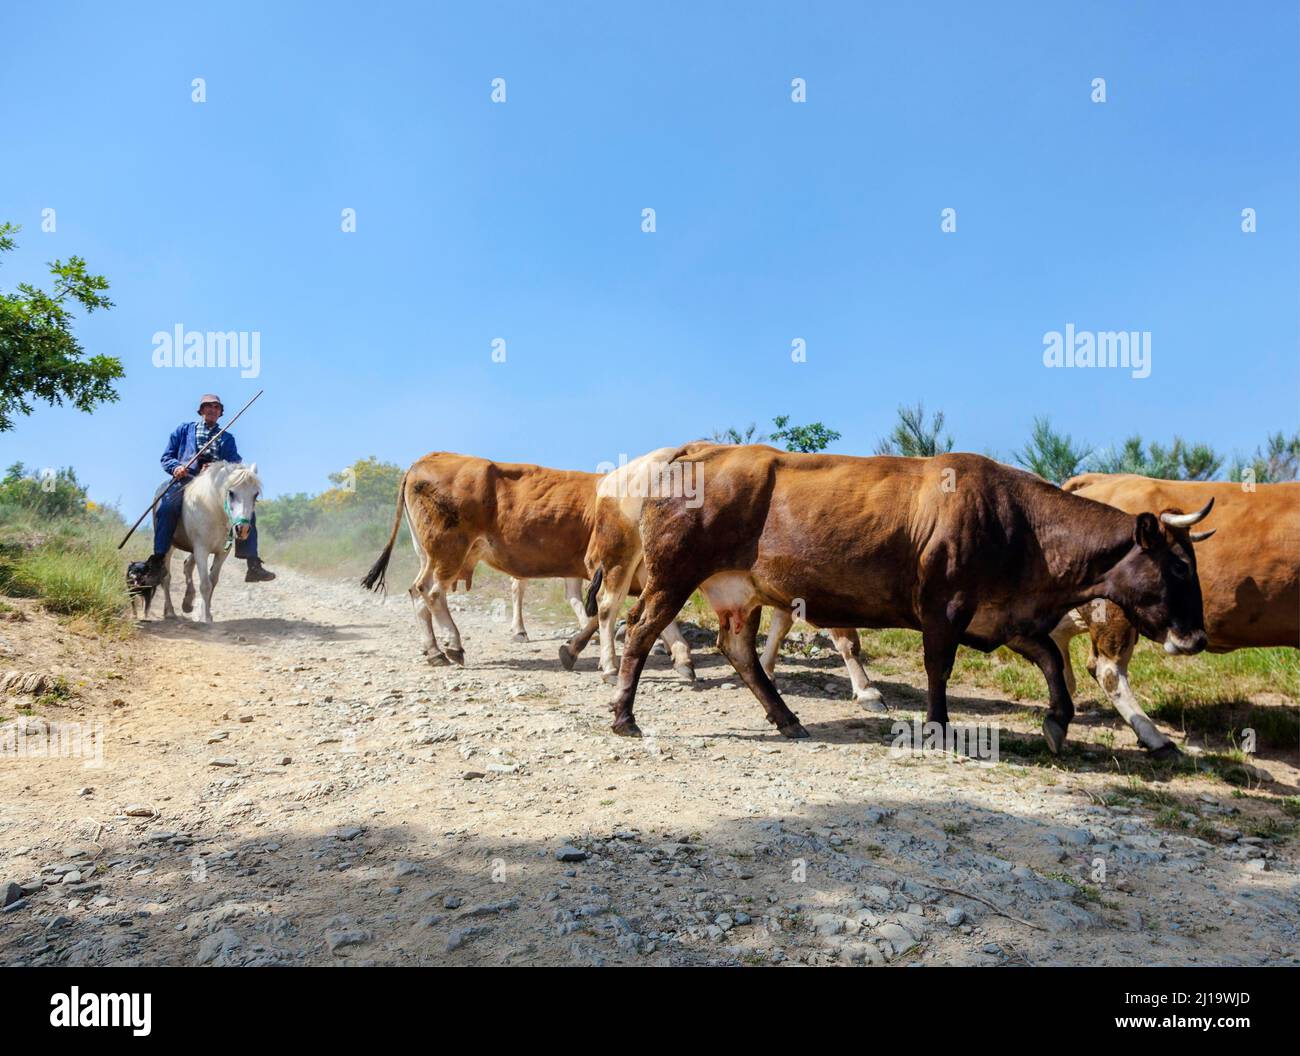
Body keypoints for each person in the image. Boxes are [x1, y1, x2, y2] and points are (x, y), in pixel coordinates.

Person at [141, 394, 276, 584]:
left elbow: (234, 464)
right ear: (201, 410)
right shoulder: (183, 430)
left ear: (220, 413)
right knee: (166, 508)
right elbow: (167, 457)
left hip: (214, 486)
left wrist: (216, 468)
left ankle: (252, 563)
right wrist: (177, 467)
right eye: (208, 407)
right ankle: (158, 560)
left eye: (216, 407)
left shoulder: (227, 438)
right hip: (186, 480)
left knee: (246, 512)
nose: (212, 410)